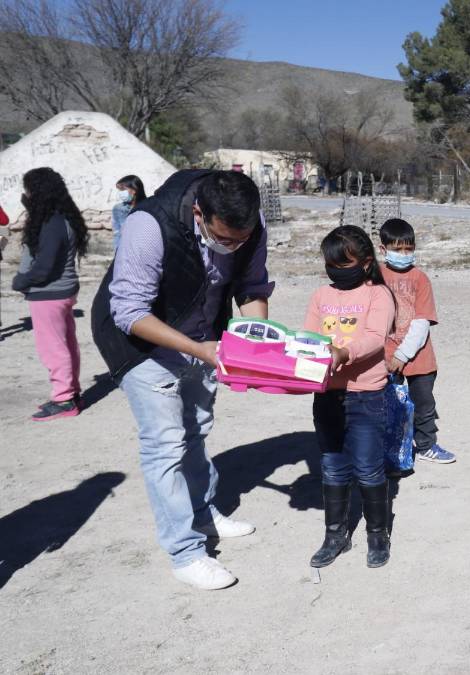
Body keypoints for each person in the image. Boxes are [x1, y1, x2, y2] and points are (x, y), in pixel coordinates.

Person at [91, 169, 273, 590]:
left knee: (197, 429)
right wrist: (198, 350)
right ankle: (185, 551)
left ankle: (203, 512)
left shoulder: (250, 225)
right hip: (142, 342)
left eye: (241, 239)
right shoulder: (148, 225)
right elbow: (130, 312)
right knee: (166, 444)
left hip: (203, 334)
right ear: (198, 213)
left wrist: (255, 342)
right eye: (224, 239)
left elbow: (251, 284)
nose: (234, 247)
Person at [305, 225, 397, 569]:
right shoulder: (320, 296)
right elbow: (310, 337)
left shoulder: (378, 295)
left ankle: (377, 534)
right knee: (332, 465)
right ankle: (335, 535)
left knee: (369, 468)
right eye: (331, 264)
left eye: (344, 264)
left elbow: (375, 337)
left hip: (365, 396)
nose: (336, 270)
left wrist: (343, 353)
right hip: (327, 395)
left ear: (366, 262)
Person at [11, 168, 89, 420]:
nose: (26, 195)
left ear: (39, 192)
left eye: (29, 190)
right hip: (61, 293)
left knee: (53, 348)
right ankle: (71, 392)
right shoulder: (61, 218)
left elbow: (44, 267)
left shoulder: (52, 223)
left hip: (49, 295)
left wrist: (21, 281)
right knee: (65, 344)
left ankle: (64, 399)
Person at [377, 218, 455, 466]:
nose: (404, 254)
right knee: (391, 406)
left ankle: (426, 445)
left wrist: (403, 354)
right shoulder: (375, 277)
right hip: (384, 358)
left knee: (424, 404)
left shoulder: (421, 279)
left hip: (419, 357)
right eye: (397, 249)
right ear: (383, 249)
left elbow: (421, 322)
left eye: (408, 249)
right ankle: (394, 451)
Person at [111, 175, 146, 252]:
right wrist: (117, 252)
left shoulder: (148, 207)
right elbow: (117, 233)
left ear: (134, 189)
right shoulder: (118, 209)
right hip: (124, 251)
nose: (120, 193)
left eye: (123, 189)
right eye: (119, 190)